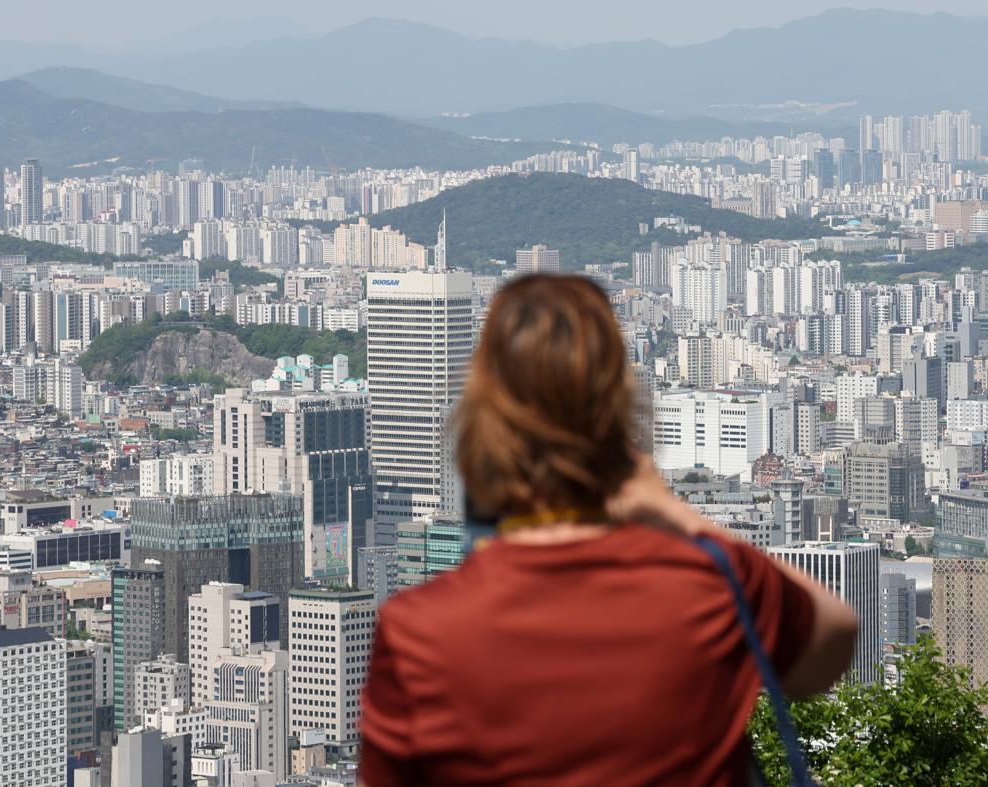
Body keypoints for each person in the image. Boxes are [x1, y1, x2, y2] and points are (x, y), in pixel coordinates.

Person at [359, 274, 858, 786]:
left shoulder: (420, 633)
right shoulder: (705, 589)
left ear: (481, 420)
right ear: (620, 410)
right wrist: (676, 513)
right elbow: (832, 647)